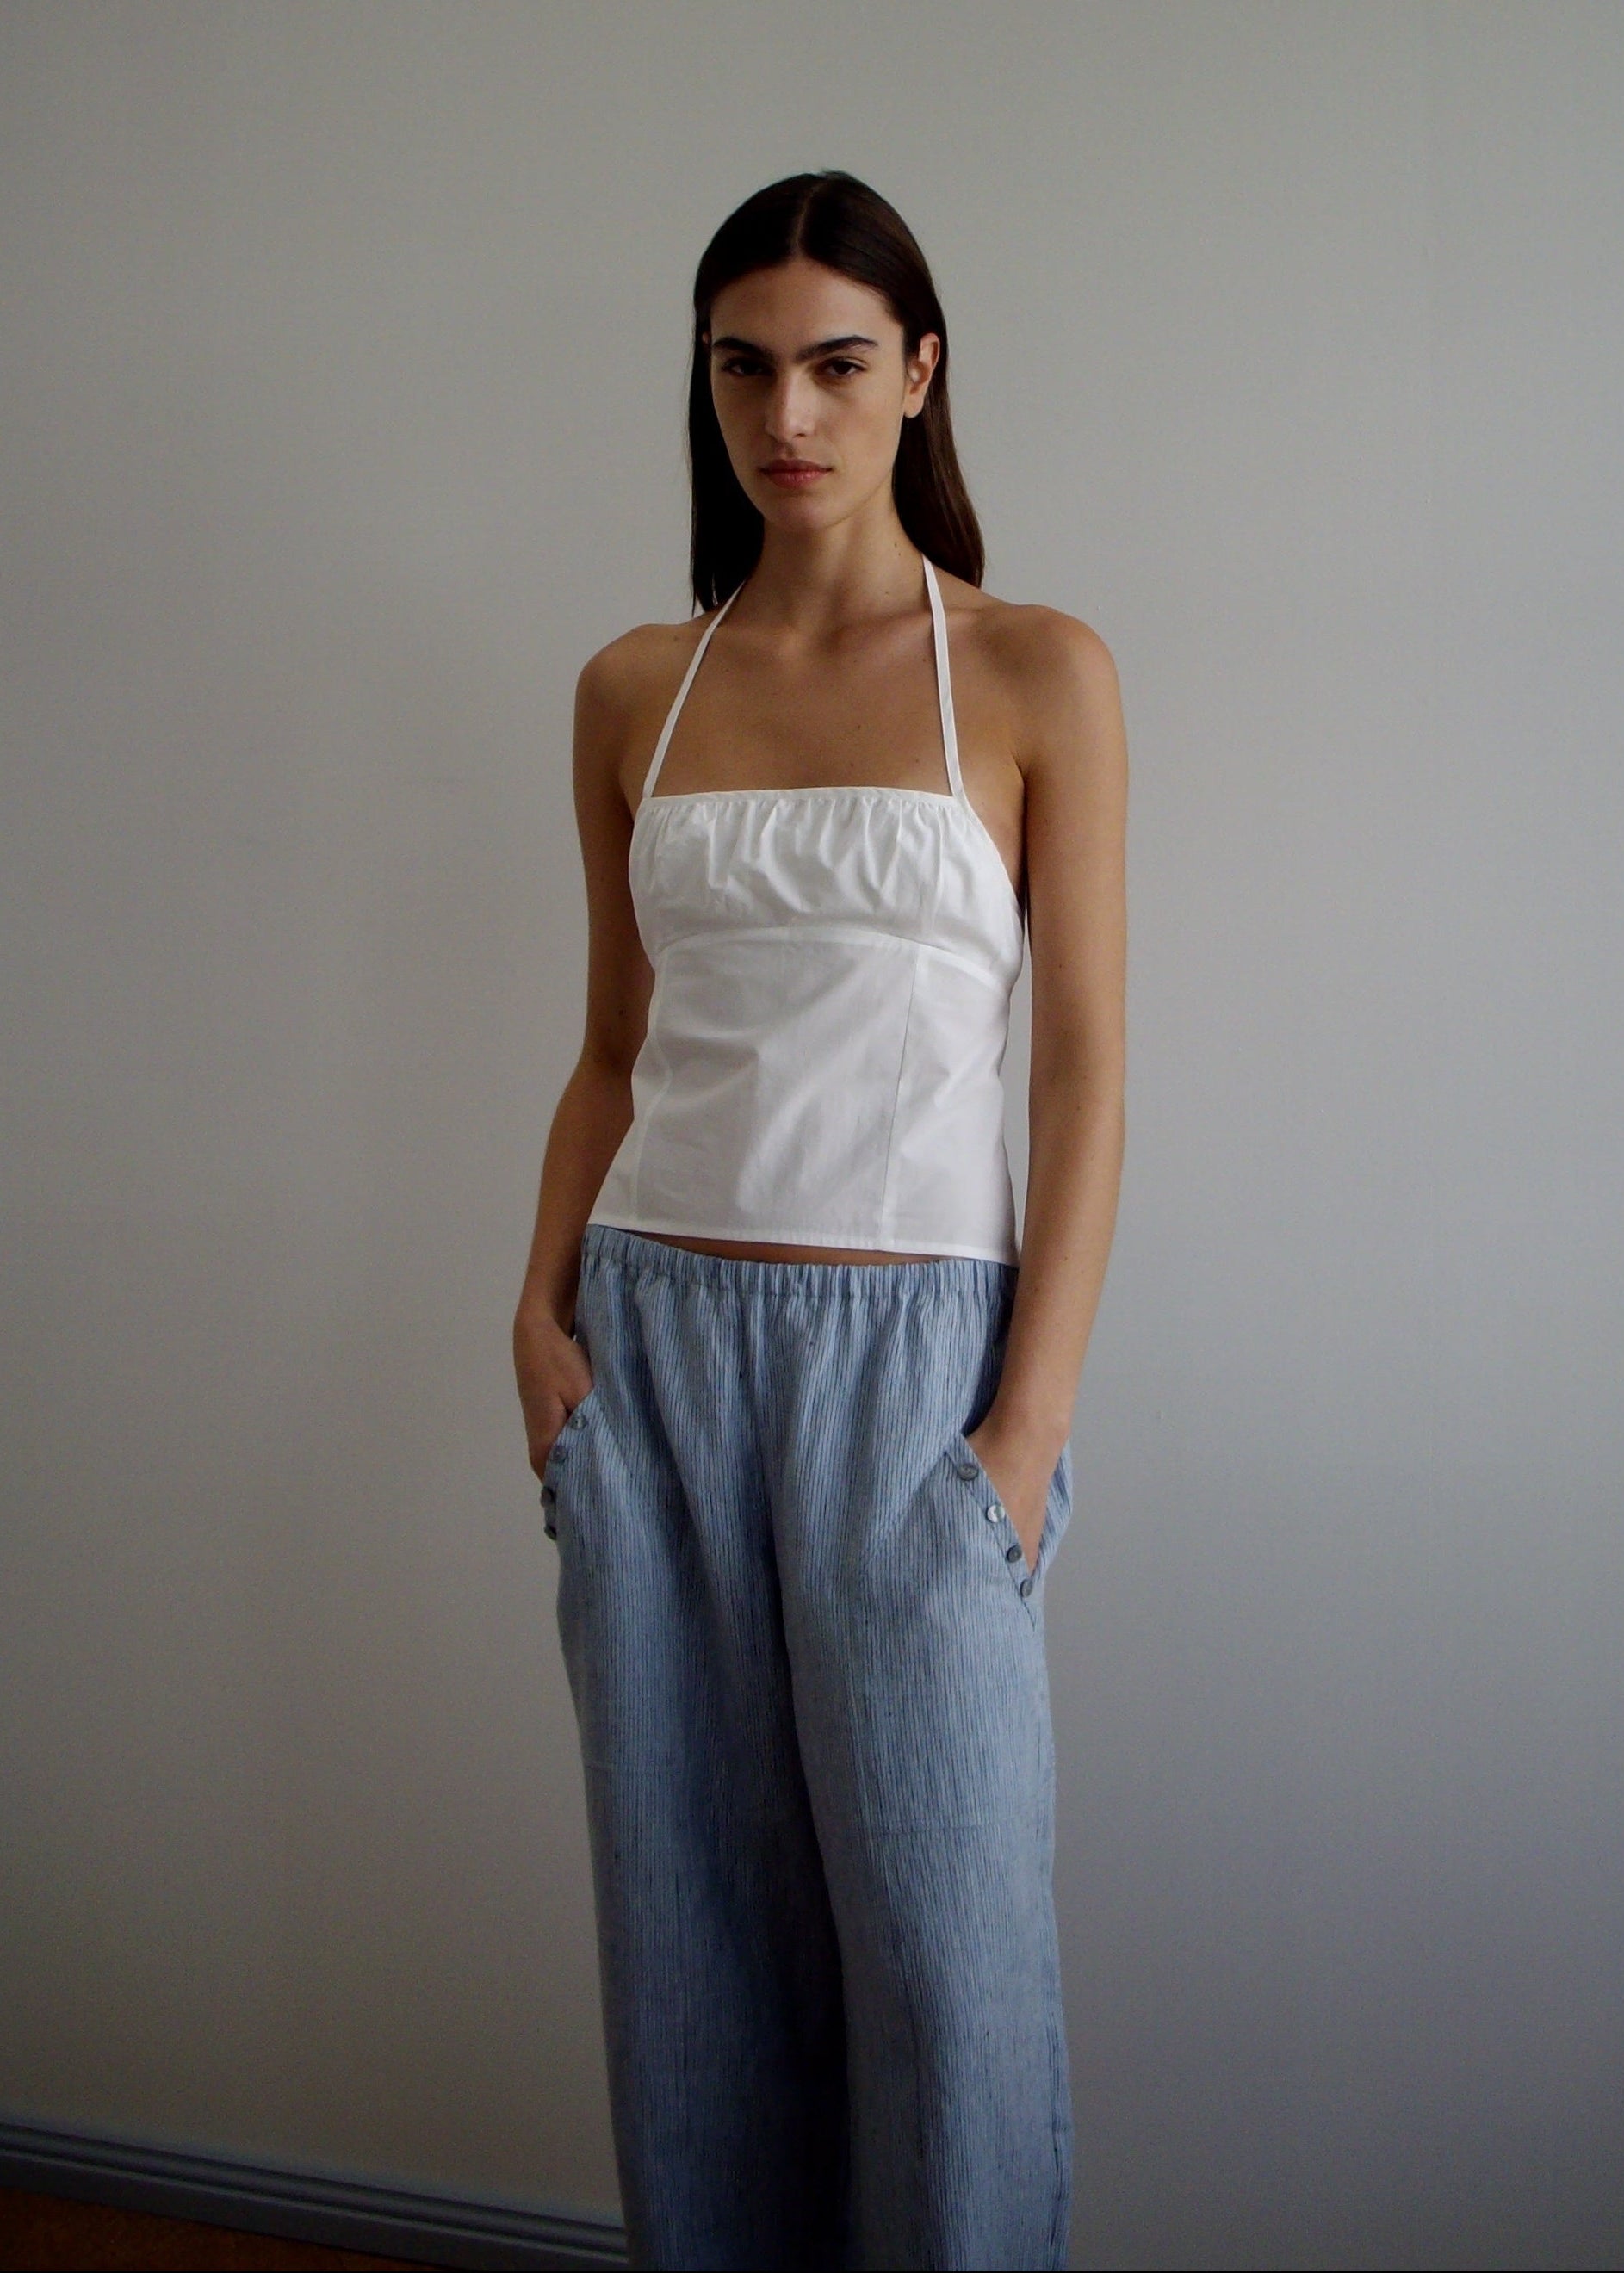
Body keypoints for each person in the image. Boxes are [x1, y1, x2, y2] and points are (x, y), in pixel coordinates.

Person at [512, 170, 1127, 2273]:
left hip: (918, 1374)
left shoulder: (1034, 670)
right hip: (652, 1355)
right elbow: (611, 1048)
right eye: (745, 366)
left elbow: (1083, 1073)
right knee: (692, 1959)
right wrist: (536, 1323)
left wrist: (1023, 1431)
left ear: (917, 375)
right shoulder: (630, 689)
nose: (789, 410)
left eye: (837, 363)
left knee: (951, 1978)